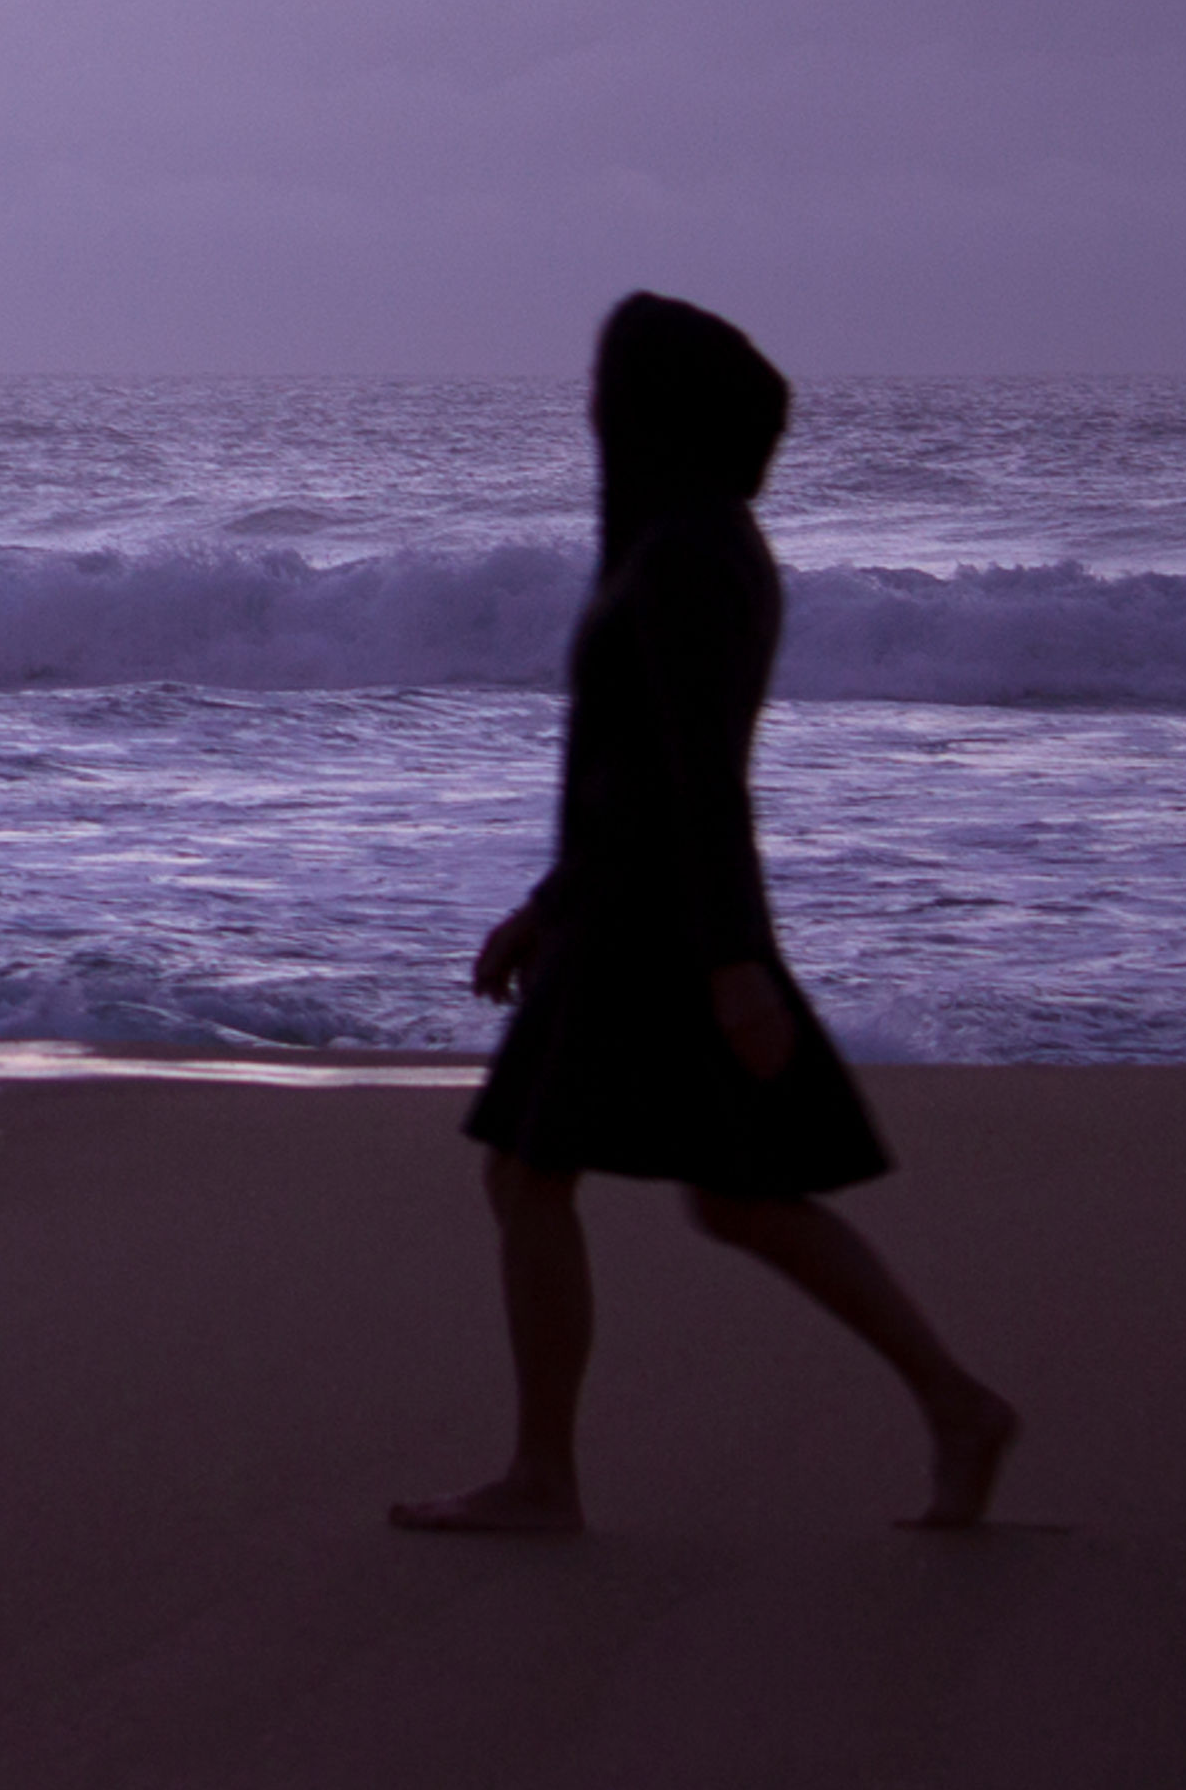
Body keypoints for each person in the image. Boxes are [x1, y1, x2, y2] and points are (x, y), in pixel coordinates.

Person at [391, 292, 1017, 1536]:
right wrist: (544, 900)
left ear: (651, 407)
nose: (586, 406)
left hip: (656, 925)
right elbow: (634, 762)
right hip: (627, 908)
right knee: (725, 1193)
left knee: (540, 1173)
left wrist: (731, 960)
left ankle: (542, 1479)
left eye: (603, 385)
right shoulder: (683, 537)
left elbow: (697, 773)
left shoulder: (687, 555)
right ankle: (952, 1404)